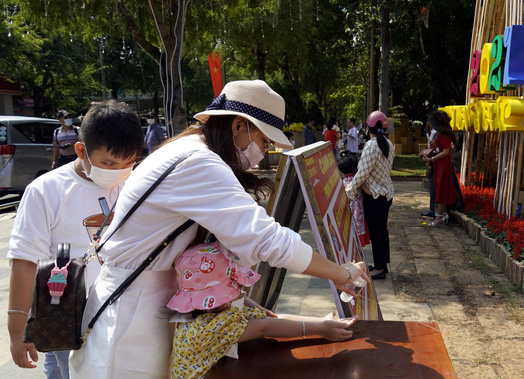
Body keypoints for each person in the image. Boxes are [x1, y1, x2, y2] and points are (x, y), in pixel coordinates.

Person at [68, 80, 368, 378]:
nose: (263, 152)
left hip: (144, 303)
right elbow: (268, 240)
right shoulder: (198, 162)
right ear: (238, 126)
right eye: (264, 141)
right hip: (131, 317)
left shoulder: (188, 149)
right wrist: (343, 274)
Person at [7, 101, 144, 379]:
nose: (119, 171)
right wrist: (17, 330)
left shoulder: (135, 184)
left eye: (129, 163)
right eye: (109, 163)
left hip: (123, 316)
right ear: (81, 150)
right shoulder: (46, 191)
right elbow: (24, 260)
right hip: (67, 317)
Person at [168, 239, 357, 378]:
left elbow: (270, 317)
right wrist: (321, 329)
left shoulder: (206, 314)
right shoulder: (210, 328)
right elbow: (265, 326)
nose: (240, 290)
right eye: (234, 285)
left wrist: (322, 321)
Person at [345, 110, 395, 280]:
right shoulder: (389, 144)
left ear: (368, 127)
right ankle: (382, 265)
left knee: (376, 232)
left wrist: (349, 191)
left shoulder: (372, 146)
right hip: (386, 194)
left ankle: (380, 269)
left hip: (373, 196)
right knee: (382, 230)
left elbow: (361, 174)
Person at [421, 110, 459, 226]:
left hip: (443, 165)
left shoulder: (445, 134)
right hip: (439, 164)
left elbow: (445, 151)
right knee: (438, 188)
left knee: (442, 189)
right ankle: (442, 214)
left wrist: (432, 159)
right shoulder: (439, 133)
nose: (429, 124)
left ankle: (440, 217)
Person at [338, 151, 369, 247]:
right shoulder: (358, 181)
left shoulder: (343, 183)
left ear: (342, 171)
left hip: (348, 214)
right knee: (358, 241)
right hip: (359, 213)